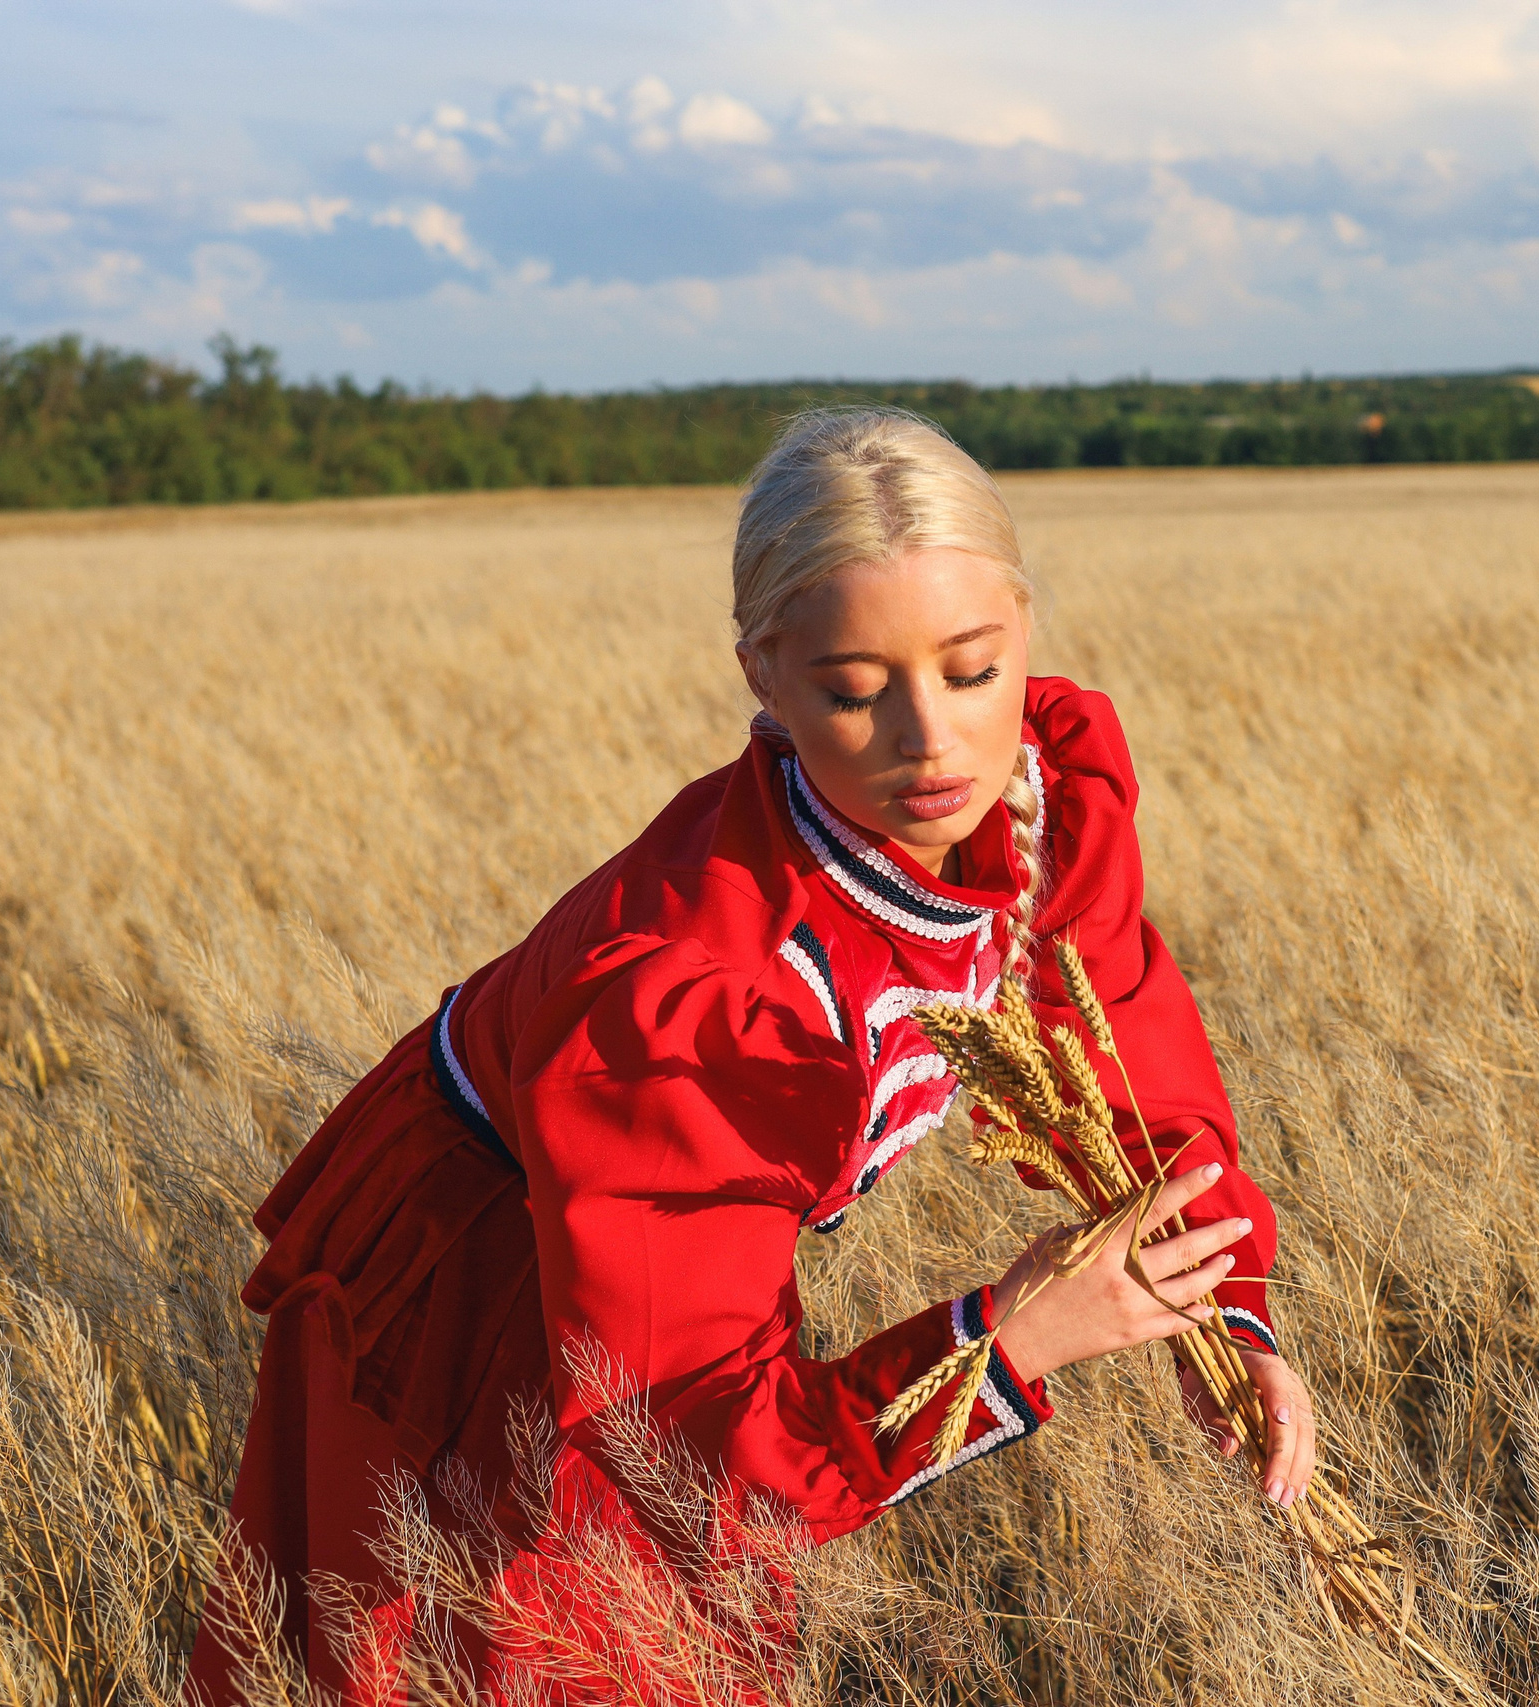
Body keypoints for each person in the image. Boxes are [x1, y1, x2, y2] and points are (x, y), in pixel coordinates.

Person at [185, 409, 1314, 1705]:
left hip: (658, 1245)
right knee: (561, 1651)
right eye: (852, 690)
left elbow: (1126, 1061)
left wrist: (1226, 1316)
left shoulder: (1044, 802)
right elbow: (695, 1440)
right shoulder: (692, 998)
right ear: (761, 676)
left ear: (1023, 626)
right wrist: (1006, 1342)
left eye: (972, 667)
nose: (930, 740)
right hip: (501, 1274)